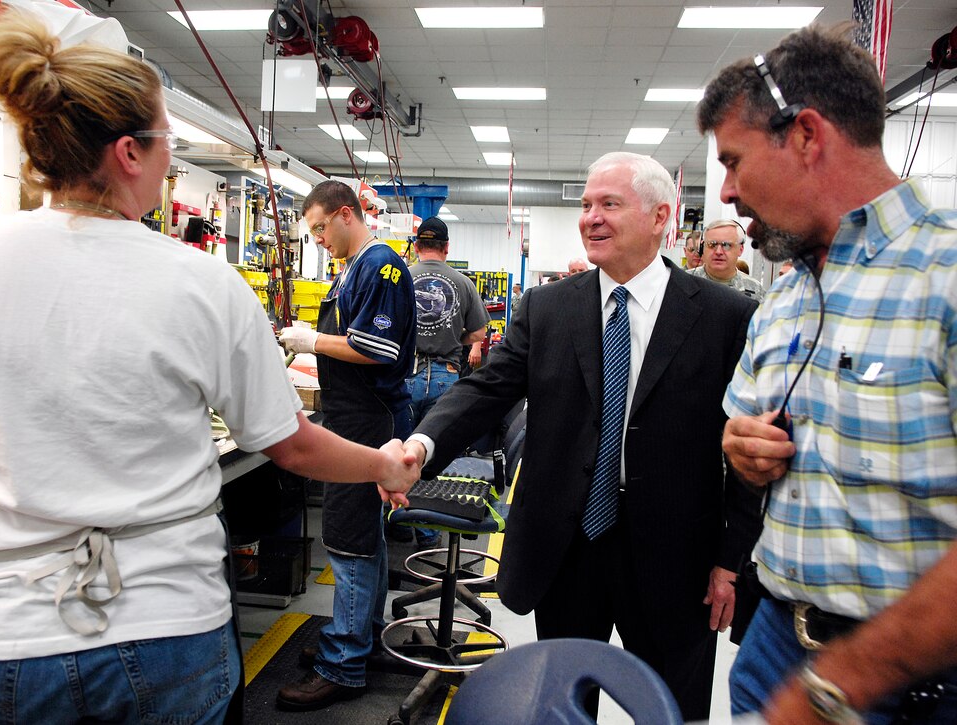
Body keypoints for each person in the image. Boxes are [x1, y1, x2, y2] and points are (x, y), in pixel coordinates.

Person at [0, 10, 419, 724]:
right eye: (164, 143)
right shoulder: (202, 283)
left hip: (1, 633)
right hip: (168, 629)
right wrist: (383, 465)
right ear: (130, 153)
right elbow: (291, 442)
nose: (167, 162)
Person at [405, 152, 761, 721]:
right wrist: (420, 446)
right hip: (567, 549)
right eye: (587, 204)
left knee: (673, 707)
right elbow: (488, 389)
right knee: (561, 706)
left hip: (676, 558)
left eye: (610, 204)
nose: (591, 217)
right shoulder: (548, 308)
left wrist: (732, 560)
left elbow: (747, 453)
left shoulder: (724, 317)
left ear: (660, 216)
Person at [698, 24, 957, 724]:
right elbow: (743, 433)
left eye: (734, 160)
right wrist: (741, 450)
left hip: (912, 682)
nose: (725, 192)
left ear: (806, 135)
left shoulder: (946, 274)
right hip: (778, 645)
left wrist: (845, 680)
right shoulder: (783, 298)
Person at [276, 180, 416, 711]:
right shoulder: (354, 268)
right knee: (366, 539)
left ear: (344, 215)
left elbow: (377, 348)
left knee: (349, 538)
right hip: (354, 414)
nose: (318, 241)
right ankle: (361, 636)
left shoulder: (382, 266)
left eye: (318, 229)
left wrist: (311, 342)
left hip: (368, 420)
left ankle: (344, 663)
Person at [401, 216, 489, 548]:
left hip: (404, 376)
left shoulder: (401, 277)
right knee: (432, 459)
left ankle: (395, 522)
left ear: (417, 245)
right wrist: (453, 336)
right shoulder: (463, 283)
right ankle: (427, 532)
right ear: (446, 247)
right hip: (445, 377)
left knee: (398, 453)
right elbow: (479, 333)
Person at [689, 219, 764, 299]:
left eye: (727, 245)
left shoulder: (755, 290)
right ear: (702, 248)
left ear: (740, 250)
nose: (718, 252)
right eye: (712, 244)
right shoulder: (685, 282)